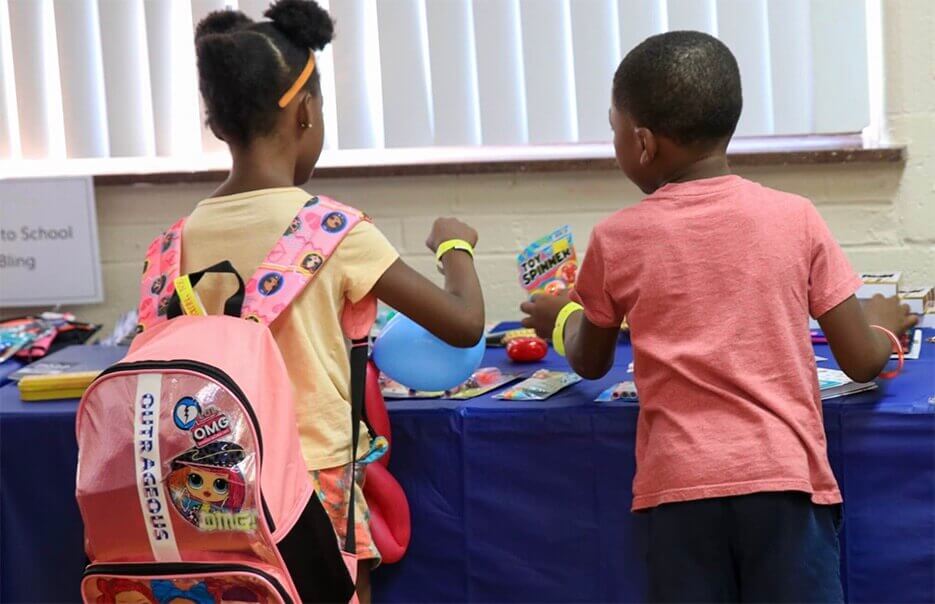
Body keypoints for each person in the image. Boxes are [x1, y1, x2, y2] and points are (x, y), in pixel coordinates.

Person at [521, 31, 917, 603]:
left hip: (678, 495)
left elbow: (589, 359)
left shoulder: (617, 238)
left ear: (643, 143)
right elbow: (859, 361)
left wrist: (563, 318)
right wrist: (882, 322)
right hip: (786, 486)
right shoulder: (795, 218)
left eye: (613, 129)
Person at [185, 1, 485, 600]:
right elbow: (463, 324)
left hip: (208, 482)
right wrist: (456, 245)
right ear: (306, 112)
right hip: (311, 483)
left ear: (218, 125)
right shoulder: (331, 231)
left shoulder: (176, 240)